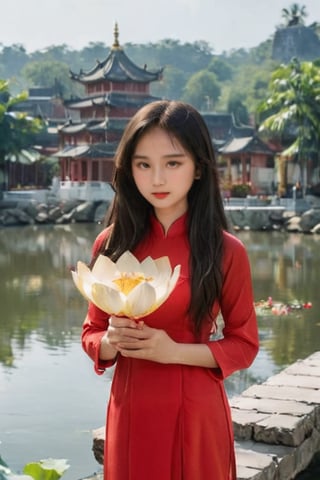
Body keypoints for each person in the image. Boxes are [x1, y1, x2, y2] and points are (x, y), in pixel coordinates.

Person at [81, 100, 259, 480]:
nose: (157, 179)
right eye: (143, 164)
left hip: (196, 412)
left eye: (172, 163)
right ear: (129, 169)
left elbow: (245, 345)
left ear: (198, 168)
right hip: (131, 410)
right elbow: (91, 333)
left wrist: (173, 351)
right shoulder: (110, 245)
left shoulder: (226, 250)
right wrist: (112, 341)